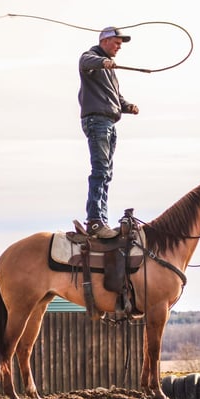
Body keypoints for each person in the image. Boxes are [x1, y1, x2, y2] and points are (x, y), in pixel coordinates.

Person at [78, 26, 139, 239]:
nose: (119, 47)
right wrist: (102, 63)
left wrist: (127, 106)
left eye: (120, 44)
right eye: (116, 42)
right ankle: (95, 220)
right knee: (101, 170)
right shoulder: (91, 57)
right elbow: (86, 62)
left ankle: (100, 218)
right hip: (98, 122)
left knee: (107, 173)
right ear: (104, 41)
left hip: (108, 122)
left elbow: (114, 96)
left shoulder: (109, 71)